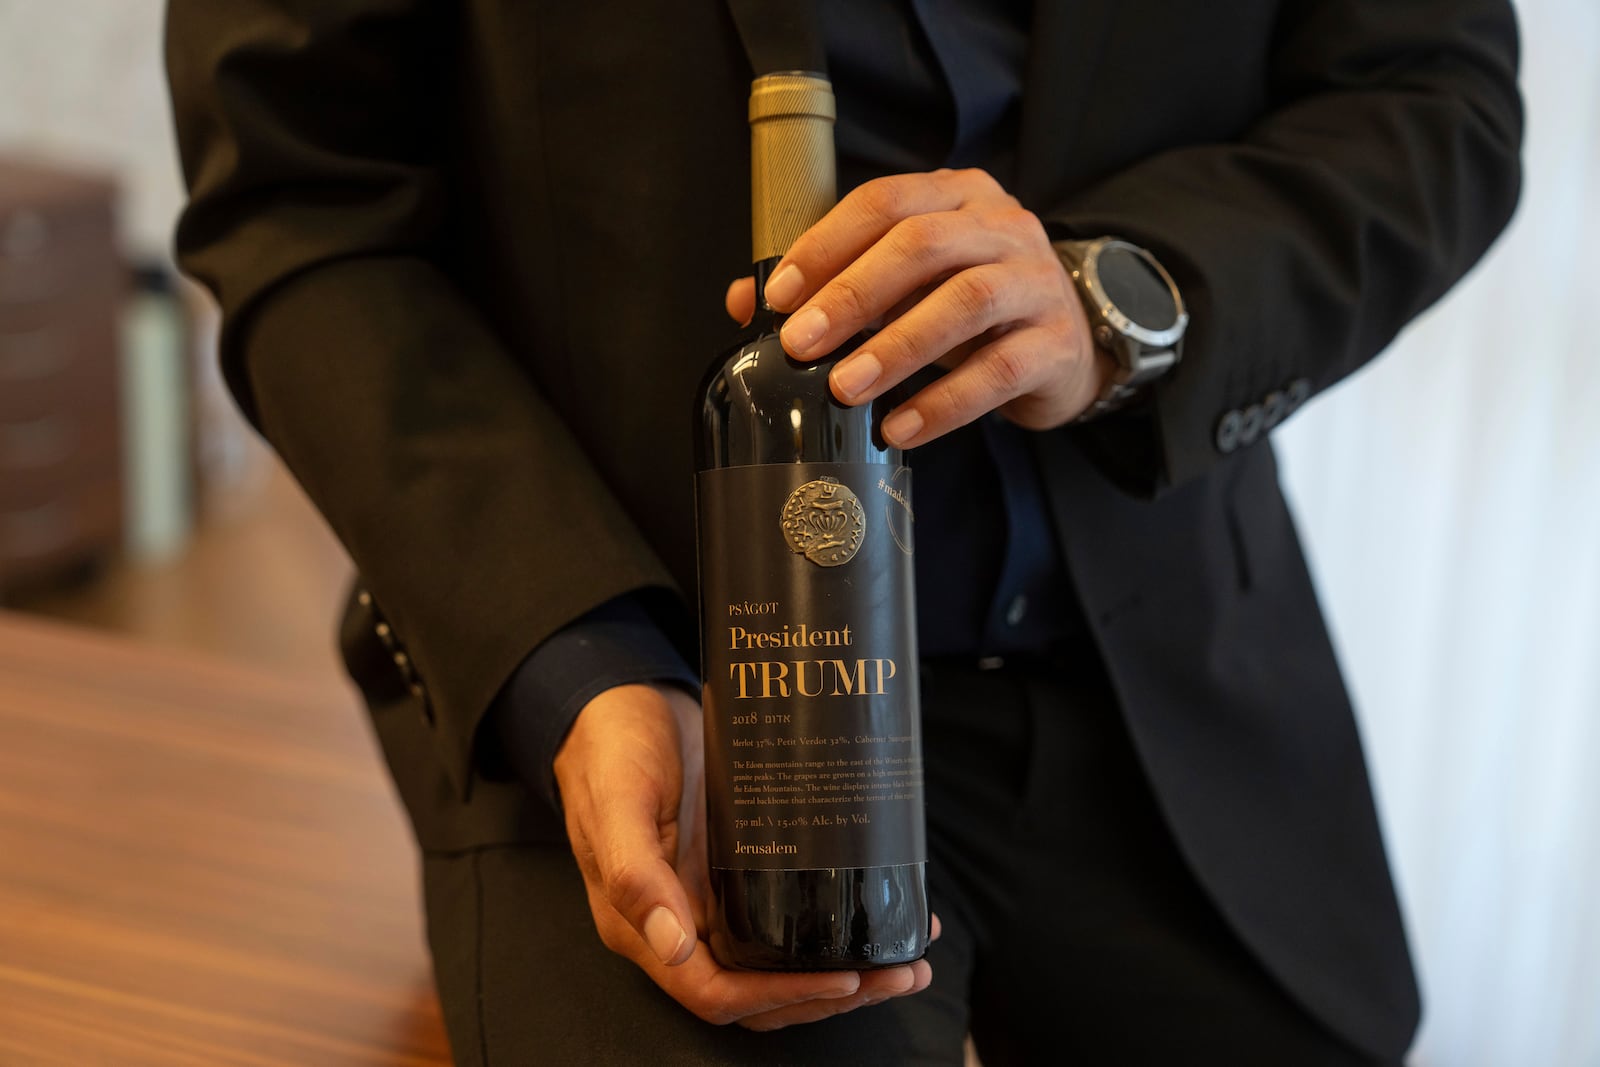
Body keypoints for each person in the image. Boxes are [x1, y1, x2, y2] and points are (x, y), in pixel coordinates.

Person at [165, 0, 1522, 1062]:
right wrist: (575, 666)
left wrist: (1124, 292)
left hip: (1155, 673)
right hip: (660, 685)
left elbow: (1430, 95)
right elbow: (297, 207)